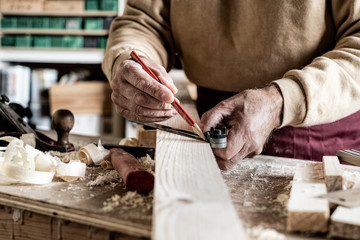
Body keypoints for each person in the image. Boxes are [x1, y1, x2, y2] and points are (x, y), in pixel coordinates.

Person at [102, 0, 360, 170]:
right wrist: (132, 58)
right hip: (206, 126)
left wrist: (283, 101)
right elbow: (144, 21)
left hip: (315, 132)